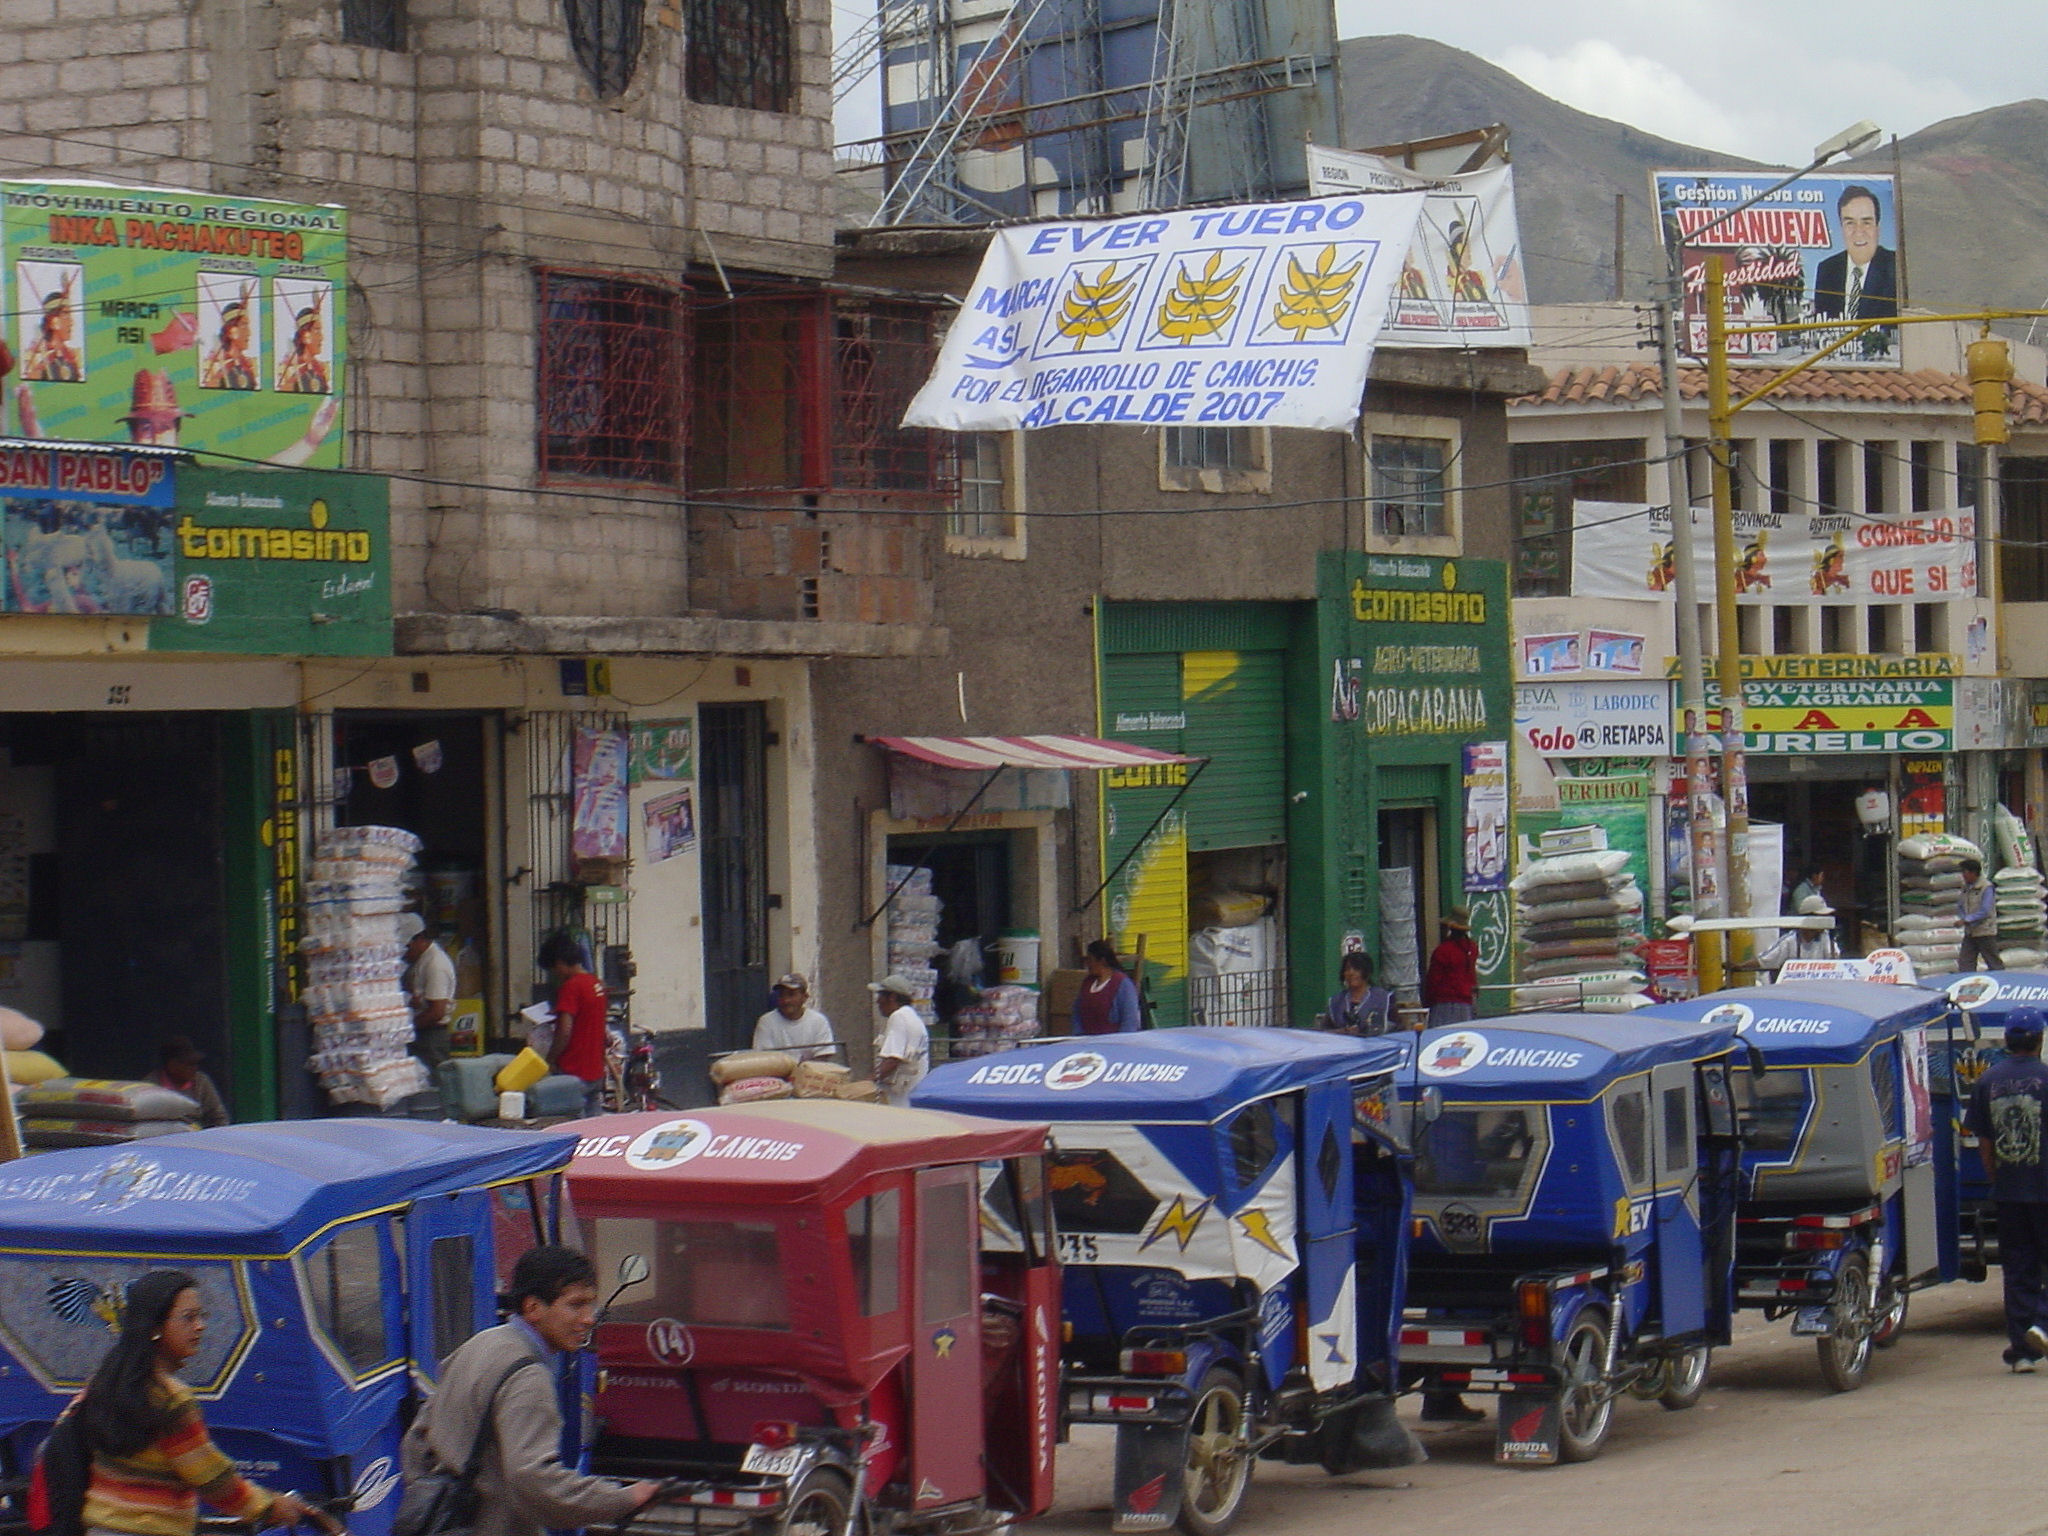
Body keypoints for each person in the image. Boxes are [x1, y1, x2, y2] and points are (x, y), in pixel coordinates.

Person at [402, 1247, 658, 1536]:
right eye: (576, 1305)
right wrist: (623, 1498)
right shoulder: (528, 1377)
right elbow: (534, 1478)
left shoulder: (479, 1345)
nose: (588, 1318)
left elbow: (417, 1442)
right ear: (533, 1308)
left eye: (591, 1305)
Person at [79, 1270, 319, 1536]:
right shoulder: (171, 1399)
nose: (200, 1326)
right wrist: (271, 1506)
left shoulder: (101, 1384)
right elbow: (214, 1481)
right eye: (188, 1318)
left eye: (201, 1316)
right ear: (156, 1328)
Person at [1966, 1008, 2048, 1371]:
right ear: (2040, 1040)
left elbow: (1984, 1143)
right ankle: (2042, 1324)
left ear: (2007, 1041)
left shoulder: (1988, 1081)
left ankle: (2022, 1352)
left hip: (2010, 1192)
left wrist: (1996, 1179)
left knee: (2017, 1270)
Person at [538, 934, 609, 1115]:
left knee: (571, 1126)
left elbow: (564, 1031)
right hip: (595, 1070)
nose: (555, 974)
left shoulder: (571, 987)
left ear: (560, 963)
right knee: (594, 1127)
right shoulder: (596, 984)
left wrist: (550, 1060)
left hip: (573, 1069)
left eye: (553, 969)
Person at [1812, 185, 1898, 323]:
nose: (1859, 231)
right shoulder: (1827, 269)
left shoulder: (1894, 266)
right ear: (1842, 229)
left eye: (1866, 222)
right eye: (1850, 223)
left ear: (1878, 228)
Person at [401, 913, 457, 1071]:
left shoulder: (435, 964)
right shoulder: (419, 960)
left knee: (434, 1080)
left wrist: (406, 1029)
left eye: (407, 947)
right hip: (421, 1031)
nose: (405, 954)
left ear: (419, 940)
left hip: (432, 1036)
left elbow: (437, 1011)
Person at [867, 973, 929, 1107]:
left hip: (899, 1098)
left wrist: (867, 1083)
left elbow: (893, 1059)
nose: (877, 1001)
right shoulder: (912, 1017)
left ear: (892, 997)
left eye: (881, 995)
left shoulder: (898, 1017)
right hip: (911, 1094)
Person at [147, 1037, 228, 1129]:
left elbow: (218, 1116)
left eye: (196, 1063)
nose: (195, 1068)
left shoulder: (201, 1081)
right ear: (172, 1064)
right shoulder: (150, 1086)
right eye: (189, 1064)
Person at [753, 972, 835, 1059]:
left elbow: (823, 1057)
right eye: (782, 995)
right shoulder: (767, 1022)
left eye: (791, 994)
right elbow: (764, 1058)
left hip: (811, 1071)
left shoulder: (819, 1021)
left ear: (805, 997)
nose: (786, 1000)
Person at [1757, 894, 1842, 975]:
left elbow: (1834, 961)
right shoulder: (1790, 941)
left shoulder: (1826, 937)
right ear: (1810, 918)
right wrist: (1743, 966)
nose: (1825, 920)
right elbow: (1764, 961)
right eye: (1822, 917)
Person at [1421, 908, 1479, 1026]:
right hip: (1466, 1003)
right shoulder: (1472, 948)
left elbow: (1433, 981)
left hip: (1444, 1004)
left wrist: (1426, 1002)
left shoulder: (1443, 951)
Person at [1072, 939, 1140, 1035]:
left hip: (1113, 1045)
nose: (1087, 964)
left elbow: (1130, 1020)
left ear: (1102, 961)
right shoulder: (1087, 983)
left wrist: (1121, 1044)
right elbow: (1077, 1012)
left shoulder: (1123, 985)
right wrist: (1078, 1036)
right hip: (1087, 1044)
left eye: (1090, 960)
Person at [1324, 951, 1392, 1036]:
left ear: (1367, 972)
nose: (1351, 973)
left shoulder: (1383, 998)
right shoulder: (1335, 1002)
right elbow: (1324, 1034)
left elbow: (1398, 1030)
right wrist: (1343, 1031)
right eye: (1347, 969)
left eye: (1356, 969)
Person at [1959, 858, 2004, 972]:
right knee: (1965, 962)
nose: (1963, 875)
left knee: (1993, 962)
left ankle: (2001, 982)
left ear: (1973, 873)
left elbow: (1986, 910)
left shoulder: (1986, 887)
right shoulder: (1965, 888)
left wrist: (1967, 919)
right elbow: (1961, 905)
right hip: (1970, 932)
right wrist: (1963, 918)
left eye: (1965, 872)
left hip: (1985, 931)